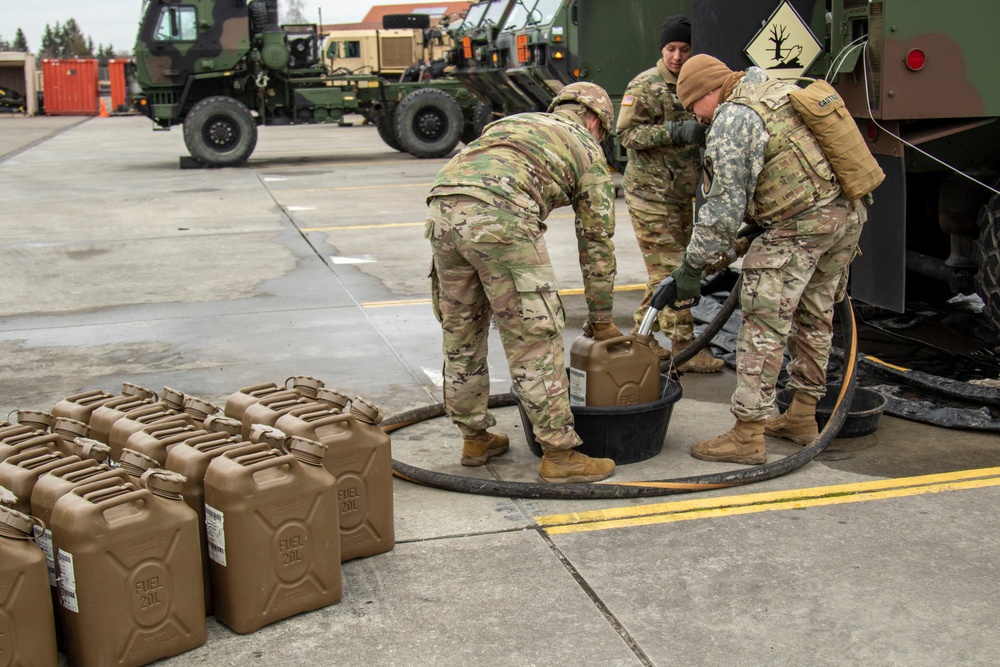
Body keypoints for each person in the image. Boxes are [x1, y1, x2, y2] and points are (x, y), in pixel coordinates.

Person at [672, 54, 868, 464]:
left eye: (693, 106)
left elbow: (721, 210)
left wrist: (692, 267)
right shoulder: (779, 89)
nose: (698, 117)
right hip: (844, 216)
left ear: (710, 90)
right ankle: (801, 416)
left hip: (798, 229)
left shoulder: (734, 117)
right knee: (815, 316)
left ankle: (747, 435)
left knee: (763, 326)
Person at [425, 82, 623, 484]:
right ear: (595, 121)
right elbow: (597, 243)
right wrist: (601, 318)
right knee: (534, 336)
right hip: (501, 216)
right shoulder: (587, 147)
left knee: (461, 333)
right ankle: (560, 455)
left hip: (443, 209)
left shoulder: (515, 122)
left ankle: (475, 438)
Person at [615, 15, 724, 373]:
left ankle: (637, 338)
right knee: (676, 268)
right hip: (649, 195)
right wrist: (676, 131)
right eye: (671, 48)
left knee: (664, 271)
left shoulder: (698, 84)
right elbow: (627, 136)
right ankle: (682, 349)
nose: (677, 56)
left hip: (680, 195)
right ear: (662, 49)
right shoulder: (645, 86)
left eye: (685, 49)